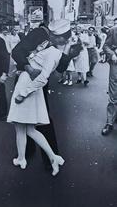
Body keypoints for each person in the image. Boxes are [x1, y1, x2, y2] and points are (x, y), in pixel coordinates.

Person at [8, 19, 81, 176]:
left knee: (38, 120)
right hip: (27, 77)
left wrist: (67, 51)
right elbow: (16, 52)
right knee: (26, 122)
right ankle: (26, 153)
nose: (66, 40)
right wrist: (28, 67)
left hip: (35, 83)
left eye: (67, 38)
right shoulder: (38, 34)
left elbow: (60, 69)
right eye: (64, 38)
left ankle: (49, 157)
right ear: (55, 34)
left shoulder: (60, 45)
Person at [101, 18, 117, 135]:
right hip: (116, 66)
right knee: (113, 95)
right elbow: (105, 46)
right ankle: (110, 122)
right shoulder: (113, 30)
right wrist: (112, 55)